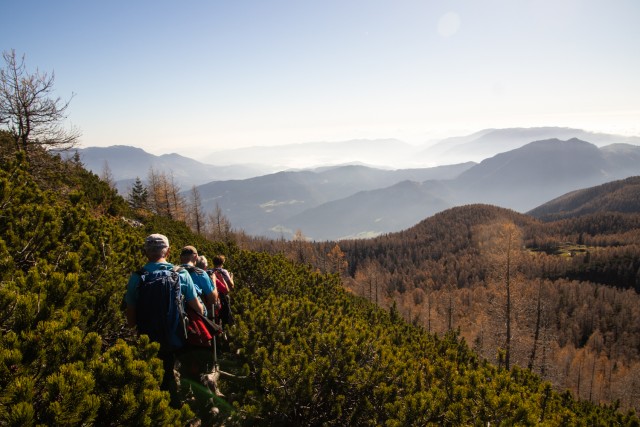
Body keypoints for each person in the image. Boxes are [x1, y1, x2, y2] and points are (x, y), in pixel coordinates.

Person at [124, 233, 203, 404]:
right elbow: (198, 307)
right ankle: (196, 402)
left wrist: (135, 332)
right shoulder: (181, 274)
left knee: (162, 377)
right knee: (188, 367)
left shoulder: (137, 277)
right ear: (167, 252)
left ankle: (167, 407)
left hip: (150, 338)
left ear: (146, 253)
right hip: (178, 335)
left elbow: (131, 314)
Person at [180, 246, 218, 318]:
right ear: (196, 257)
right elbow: (213, 299)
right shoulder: (200, 273)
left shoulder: (173, 271)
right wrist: (214, 281)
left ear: (181, 257)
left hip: (177, 316)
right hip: (196, 316)